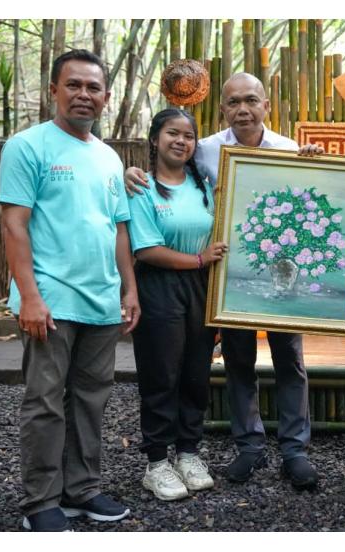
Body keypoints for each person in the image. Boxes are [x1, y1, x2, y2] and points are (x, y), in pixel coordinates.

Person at [125, 72, 319, 490]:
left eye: (251, 100)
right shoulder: (205, 150)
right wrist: (130, 173)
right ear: (223, 109)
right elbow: (168, 176)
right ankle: (248, 445)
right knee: (237, 359)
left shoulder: (291, 149)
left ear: (266, 104)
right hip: (226, 277)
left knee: (290, 359)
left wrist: (316, 164)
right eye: (233, 102)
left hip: (283, 275)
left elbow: (315, 195)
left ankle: (295, 450)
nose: (243, 109)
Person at [0, 49, 139, 531]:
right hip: (51, 298)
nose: (84, 95)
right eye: (74, 85)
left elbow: (118, 229)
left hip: (101, 301)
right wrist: (30, 297)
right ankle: (40, 500)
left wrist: (129, 290)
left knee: (91, 399)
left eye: (93, 87)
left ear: (105, 96)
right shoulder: (28, 146)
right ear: (53, 90)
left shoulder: (107, 155)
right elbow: (14, 225)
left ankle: (82, 489)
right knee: (44, 401)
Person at [127, 109, 229, 501]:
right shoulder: (142, 187)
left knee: (195, 373)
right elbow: (147, 249)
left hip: (200, 287)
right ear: (155, 139)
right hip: (160, 285)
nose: (181, 141)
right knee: (161, 374)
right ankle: (156, 462)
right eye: (173, 133)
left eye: (189, 136)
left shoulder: (202, 185)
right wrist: (200, 260)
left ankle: (188, 452)